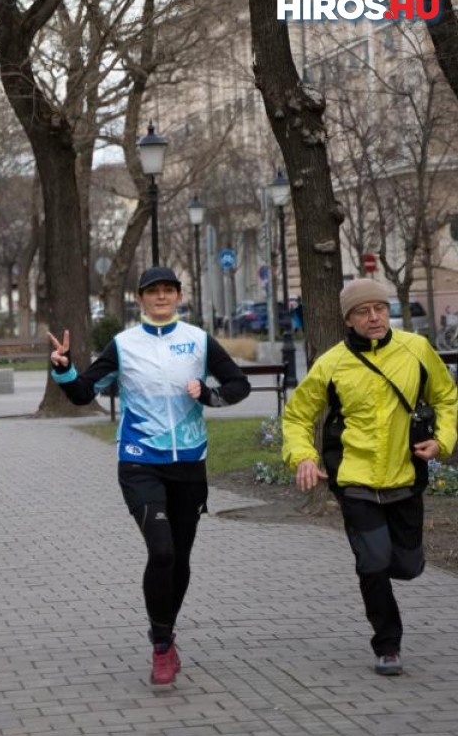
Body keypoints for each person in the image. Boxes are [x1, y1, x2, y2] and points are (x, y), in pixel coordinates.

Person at [49, 266, 250, 686]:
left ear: (177, 296)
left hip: (189, 465)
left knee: (180, 558)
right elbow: (86, 391)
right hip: (140, 462)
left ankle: (166, 628)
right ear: (139, 299)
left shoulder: (197, 341)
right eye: (152, 291)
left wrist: (209, 395)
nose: (161, 297)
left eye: (168, 290)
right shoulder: (124, 345)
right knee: (161, 551)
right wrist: (65, 369)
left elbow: (238, 384)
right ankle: (161, 646)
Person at [282, 279, 457, 676]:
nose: (374, 316)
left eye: (380, 307)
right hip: (355, 478)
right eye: (363, 311)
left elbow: (447, 397)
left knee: (408, 565)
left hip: (405, 476)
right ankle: (387, 644)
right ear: (348, 319)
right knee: (373, 562)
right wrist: (304, 456)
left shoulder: (416, 350)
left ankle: (391, 567)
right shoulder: (331, 364)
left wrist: (442, 441)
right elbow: (297, 416)